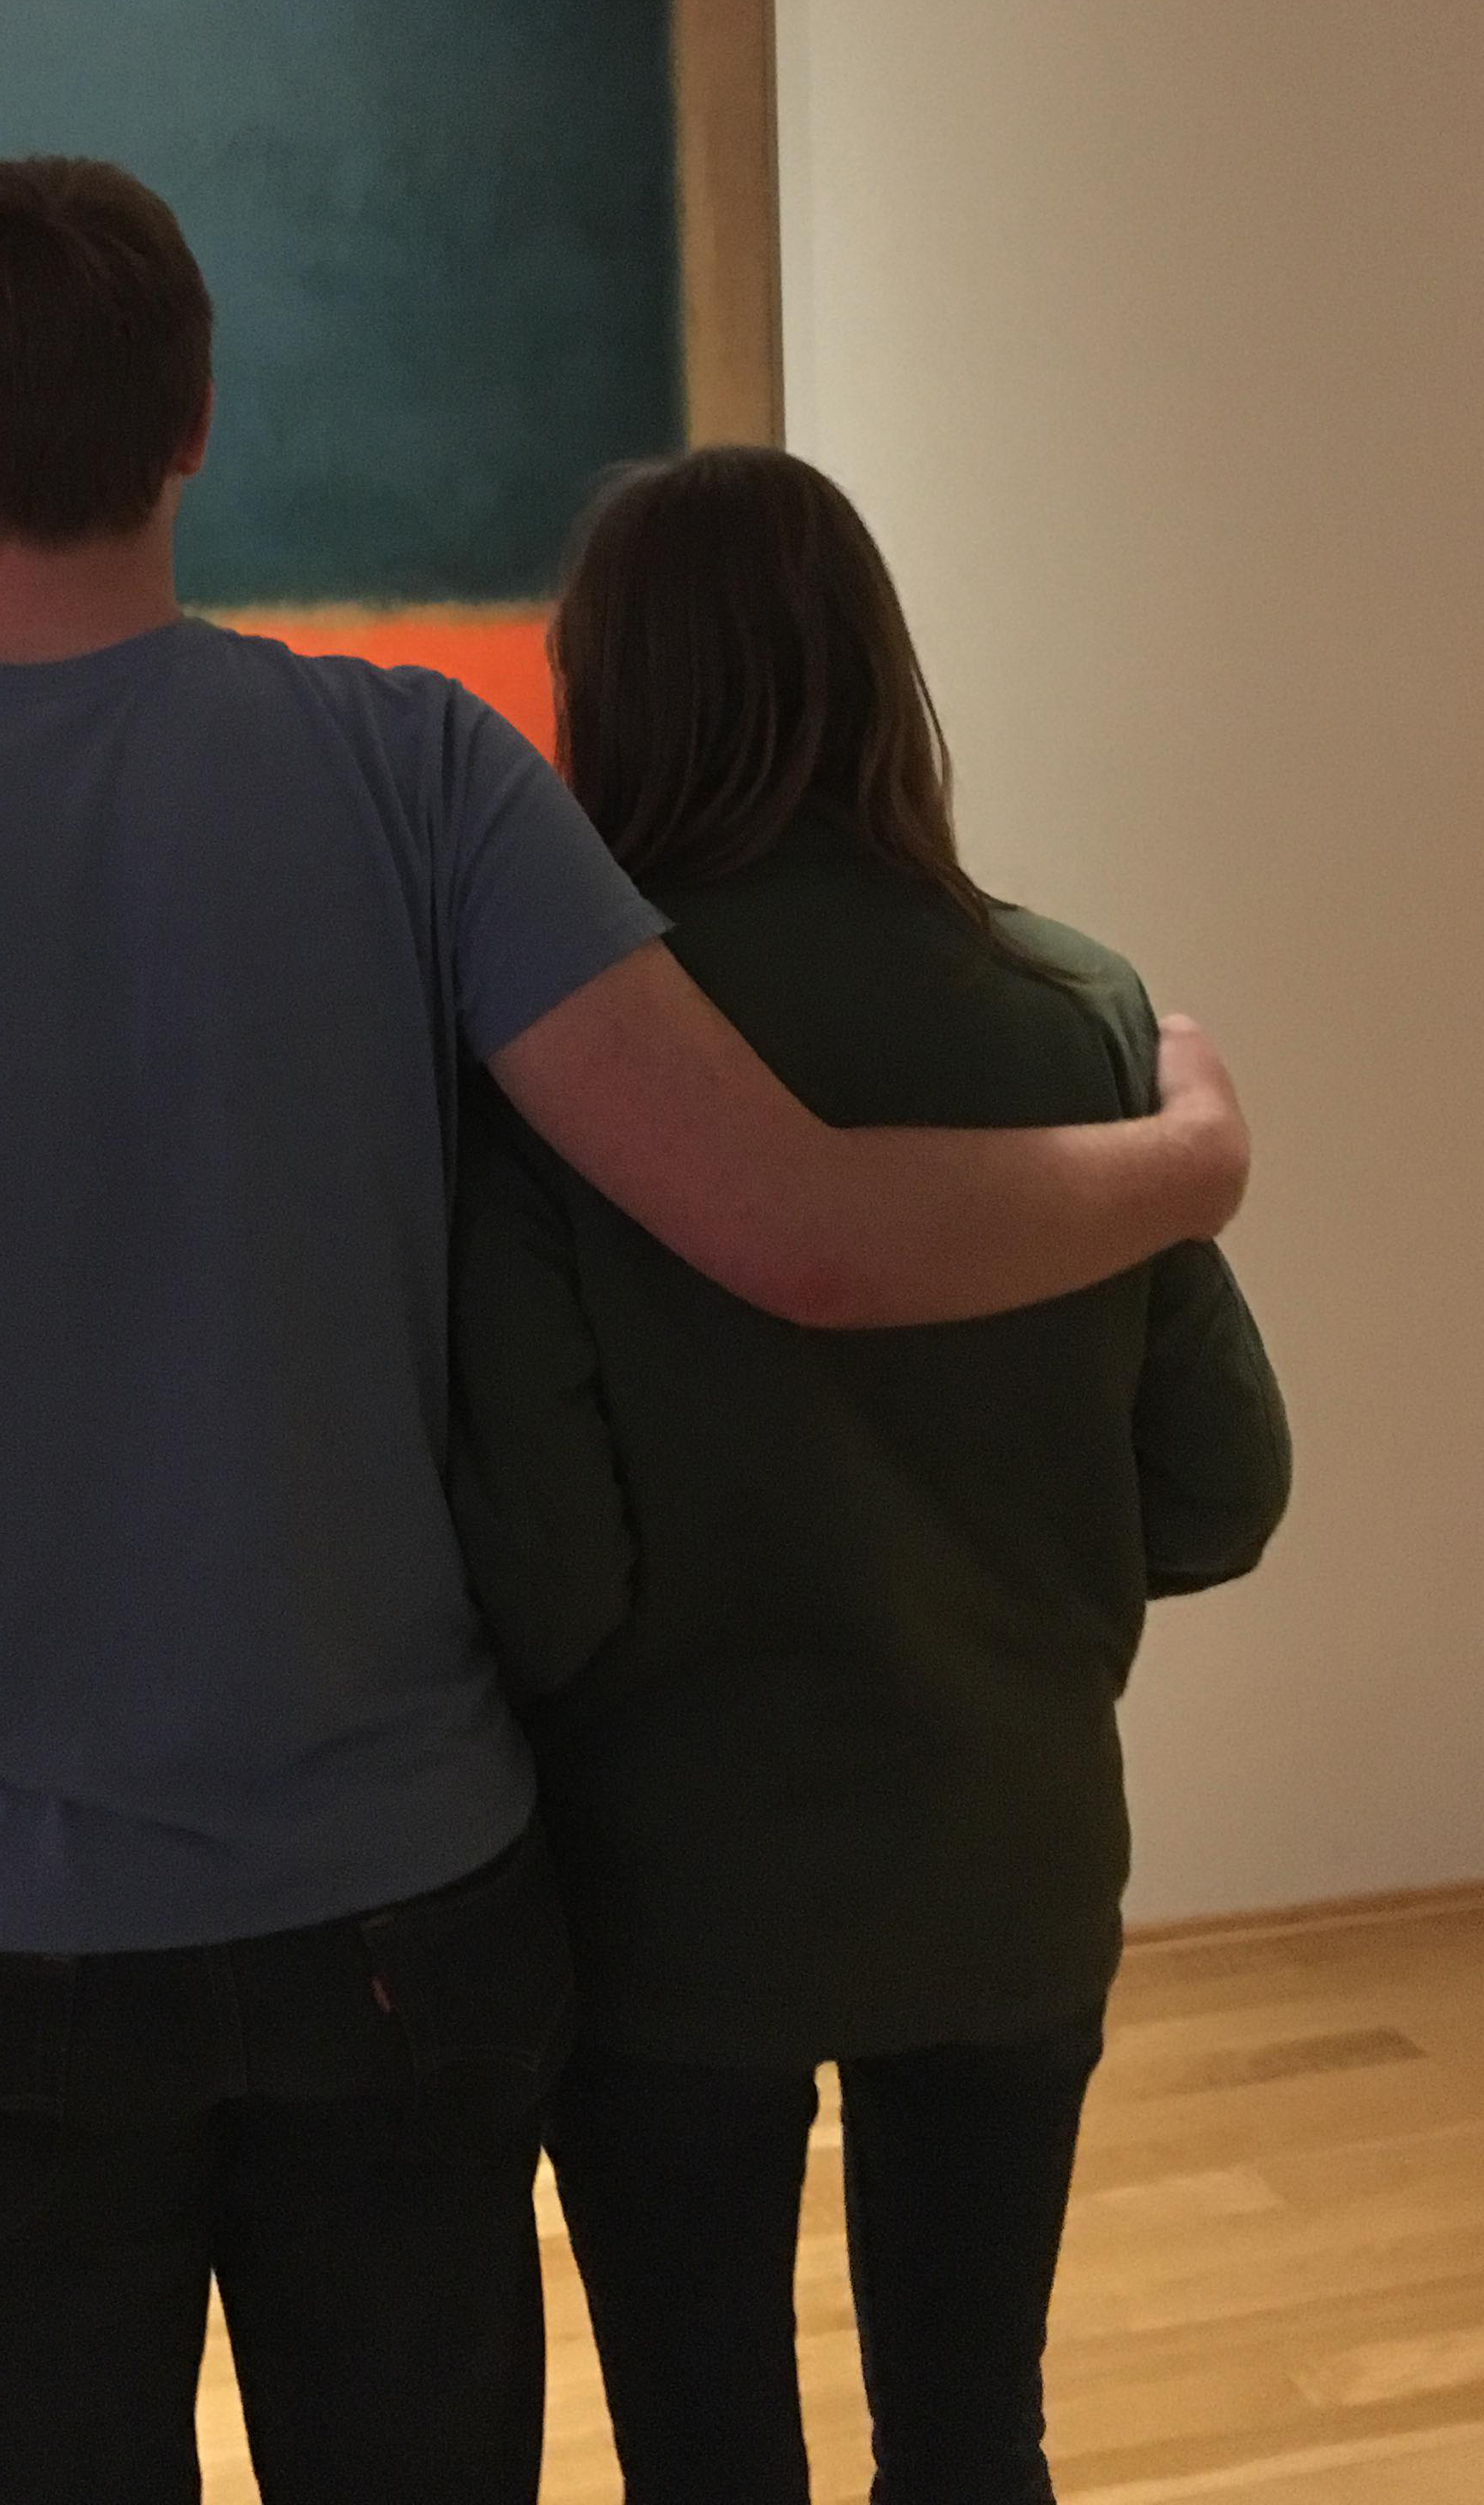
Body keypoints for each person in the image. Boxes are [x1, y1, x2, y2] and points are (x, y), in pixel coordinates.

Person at [0, 161, 1250, 2505]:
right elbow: (803, 1232)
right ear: (197, 421)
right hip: (400, 1916)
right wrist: (1187, 1162)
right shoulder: (419, 776)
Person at [447, 444, 1291, 2505]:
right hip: (1004, 1868)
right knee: (972, 2431)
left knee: (707, 2448)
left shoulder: (562, 1066)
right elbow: (1218, 1489)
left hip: (669, 1912)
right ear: (871, 674)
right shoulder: (1083, 1019)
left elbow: (541, 1567)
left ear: (606, 691)